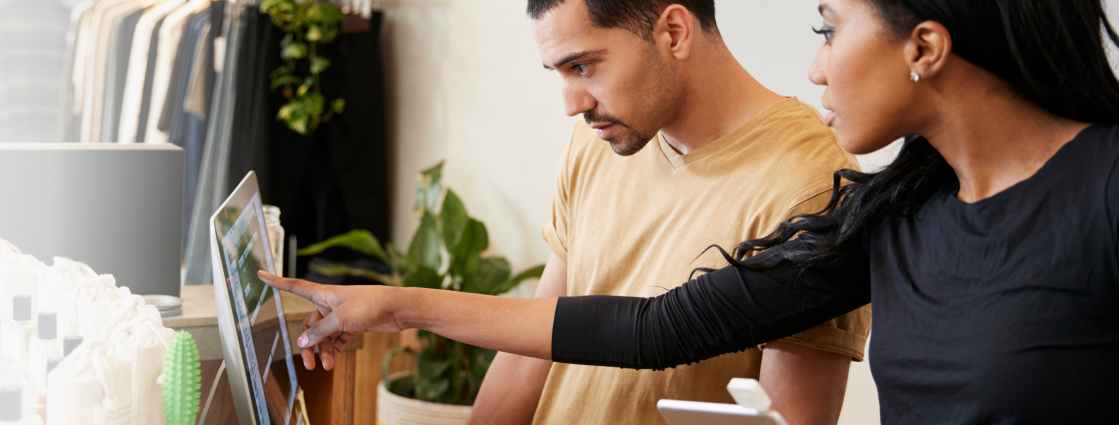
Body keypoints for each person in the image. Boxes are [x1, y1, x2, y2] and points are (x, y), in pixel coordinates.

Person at [263, 0, 1119, 422]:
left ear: (924, 47)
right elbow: (655, 328)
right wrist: (386, 304)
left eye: (828, 29)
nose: (816, 67)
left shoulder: (1105, 188)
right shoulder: (897, 216)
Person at [459, 1, 872, 424]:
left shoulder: (812, 184)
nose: (572, 104)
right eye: (559, 73)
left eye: (582, 67)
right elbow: (530, 355)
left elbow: (792, 416)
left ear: (673, 32)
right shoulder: (602, 139)